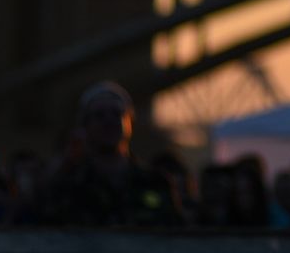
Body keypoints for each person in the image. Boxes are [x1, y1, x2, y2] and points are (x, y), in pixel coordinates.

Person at [35, 82, 182, 227]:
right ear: (85, 125)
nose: (109, 121)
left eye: (117, 114)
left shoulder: (155, 182)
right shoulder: (68, 186)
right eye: (99, 115)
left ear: (130, 122)